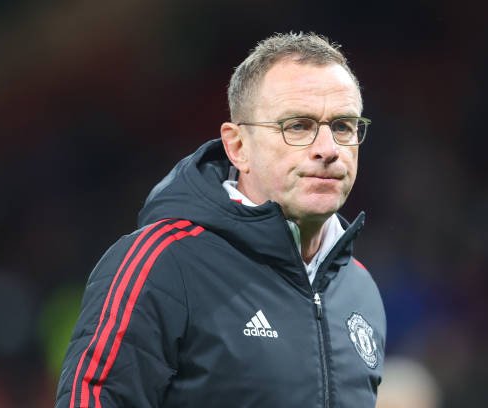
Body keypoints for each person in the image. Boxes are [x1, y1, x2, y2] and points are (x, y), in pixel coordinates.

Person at [55, 32, 386, 408]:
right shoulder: (163, 263)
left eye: (343, 126)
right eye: (298, 126)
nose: (328, 149)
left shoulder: (360, 288)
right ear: (238, 147)